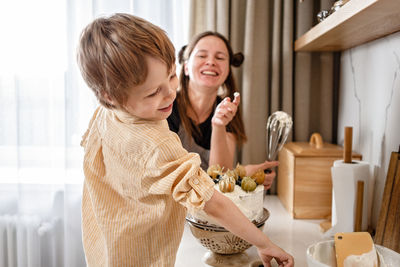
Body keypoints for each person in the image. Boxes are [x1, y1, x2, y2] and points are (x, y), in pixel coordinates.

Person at [77, 13, 294, 267]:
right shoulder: (159, 138)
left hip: (104, 245)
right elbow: (211, 201)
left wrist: (238, 165)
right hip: (142, 254)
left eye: (171, 76)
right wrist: (264, 243)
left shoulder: (106, 112)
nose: (169, 93)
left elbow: (207, 175)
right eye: (153, 92)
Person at [168, 31, 278, 189]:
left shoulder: (227, 110)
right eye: (202, 56)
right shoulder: (166, 107)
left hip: (204, 207)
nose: (211, 62)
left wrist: (218, 125)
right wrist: (242, 173)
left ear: (227, 72)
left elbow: (219, 177)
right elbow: (168, 177)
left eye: (219, 58)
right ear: (186, 68)